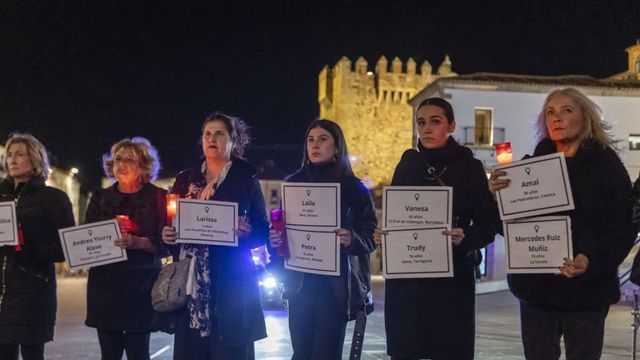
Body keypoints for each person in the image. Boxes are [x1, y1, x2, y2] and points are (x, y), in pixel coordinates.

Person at [489, 87, 637, 360]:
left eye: (567, 110)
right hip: (537, 291)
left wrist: (590, 260)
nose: (557, 118)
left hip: (587, 292)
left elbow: (622, 228)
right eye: (550, 112)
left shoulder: (607, 168)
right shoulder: (530, 168)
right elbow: (508, 228)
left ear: (586, 117)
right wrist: (498, 198)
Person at [380, 98, 498, 360]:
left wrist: (465, 238)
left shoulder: (470, 167)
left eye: (436, 121)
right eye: (421, 122)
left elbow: (489, 224)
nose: (427, 129)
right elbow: (399, 215)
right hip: (407, 285)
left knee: (449, 351)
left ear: (451, 126)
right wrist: (386, 234)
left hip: (451, 283)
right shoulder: (407, 165)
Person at [161, 112, 269, 360]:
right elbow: (171, 223)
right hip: (191, 285)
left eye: (219, 133)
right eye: (207, 133)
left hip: (231, 282)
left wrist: (248, 232)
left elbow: (262, 229)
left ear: (233, 140)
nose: (212, 138)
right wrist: (167, 235)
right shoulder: (185, 179)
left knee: (228, 352)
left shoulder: (245, 180)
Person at [268, 119, 377, 359]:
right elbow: (282, 230)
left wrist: (352, 238)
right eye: (310, 139)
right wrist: (276, 238)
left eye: (323, 139)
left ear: (337, 147)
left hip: (335, 288)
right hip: (300, 285)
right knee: (301, 352)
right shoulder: (293, 184)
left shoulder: (355, 189)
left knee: (325, 354)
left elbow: (370, 236)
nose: (315, 145)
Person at [84, 137, 166, 360]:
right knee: (109, 353)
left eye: (129, 159)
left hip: (141, 284)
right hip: (105, 284)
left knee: (138, 351)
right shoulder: (100, 197)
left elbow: (167, 243)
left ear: (144, 165)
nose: (121, 164)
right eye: (117, 159)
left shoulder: (157, 197)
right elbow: (85, 237)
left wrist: (137, 242)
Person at [0, 133, 75, 360]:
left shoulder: (53, 198)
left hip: (33, 290)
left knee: (33, 353)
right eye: (9, 154)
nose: (12, 159)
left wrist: (28, 249)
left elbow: (67, 247)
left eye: (19, 154)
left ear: (35, 159)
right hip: (2, 291)